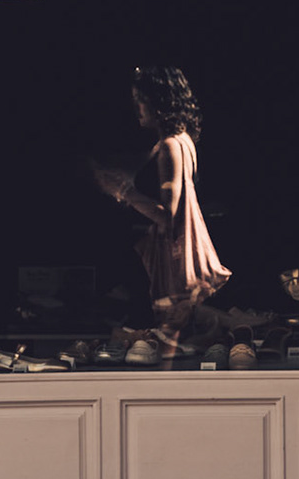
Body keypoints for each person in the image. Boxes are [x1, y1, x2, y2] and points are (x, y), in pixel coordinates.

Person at [94, 65, 230, 358]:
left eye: (140, 98)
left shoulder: (169, 145)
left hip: (171, 265)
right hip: (175, 259)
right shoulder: (183, 141)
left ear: (159, 100)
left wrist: (125, 193)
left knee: (157, 348)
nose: (136, 107)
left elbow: (169, 217)